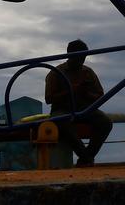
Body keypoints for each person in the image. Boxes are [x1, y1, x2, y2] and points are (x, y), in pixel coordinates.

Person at [43, 39, 113, 167]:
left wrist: (86, 94)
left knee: (106, 122)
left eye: (84, 57)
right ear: (69, 55)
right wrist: (71, 91)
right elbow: (49, 99)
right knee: (61, 122)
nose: (82, 60)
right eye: (79, 57)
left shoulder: (88, 72)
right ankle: (86, 158)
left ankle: (85, 159)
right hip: (62, 109)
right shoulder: (55, 73)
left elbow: (100, 95)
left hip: (84, 108)